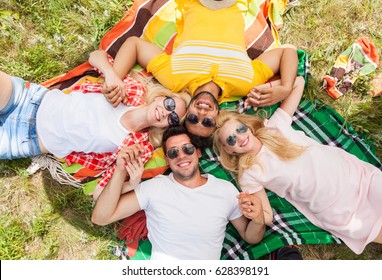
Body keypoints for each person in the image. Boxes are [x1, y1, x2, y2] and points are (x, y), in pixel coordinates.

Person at [212, 76, 382, 255]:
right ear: (230, 150)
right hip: (338, 211)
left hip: (356, 179)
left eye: (240, 129)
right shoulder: (249, 174)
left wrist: (272, 89)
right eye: (231, 139)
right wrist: (255, 214)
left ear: (248, 127)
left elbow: (298, 82)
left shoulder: (275, 126)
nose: (240, 137)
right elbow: (266, 216)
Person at [88, 0, 301, 140]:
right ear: (218, 117)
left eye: (193, 118)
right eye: (207, 121)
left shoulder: (174, 80)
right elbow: (287, 52)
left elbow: (134, 44)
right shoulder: (245, 84)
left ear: (186, 112)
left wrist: (115, 76)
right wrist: (285, 87)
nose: (201, 113)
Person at [91, 125, 266, 260]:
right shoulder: (154, 187)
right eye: (173, 152)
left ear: (198, 153)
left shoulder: (225, 190)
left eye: (187, 149)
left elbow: (250, 237)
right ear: (167, 160)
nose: (181, 155)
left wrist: (258, 219)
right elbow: (100, 218)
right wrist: (120, 171)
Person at [0, 70, 190, 160]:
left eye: (172, 118)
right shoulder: (131, 90)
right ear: (160, 98)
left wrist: (131, 182)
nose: (166, 112)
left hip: (26, 140)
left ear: (166, 127)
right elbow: (97, 56)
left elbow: (102, 189)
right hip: (29, 98)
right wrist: (111, 75)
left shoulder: (138, 148)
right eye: (170, 104)